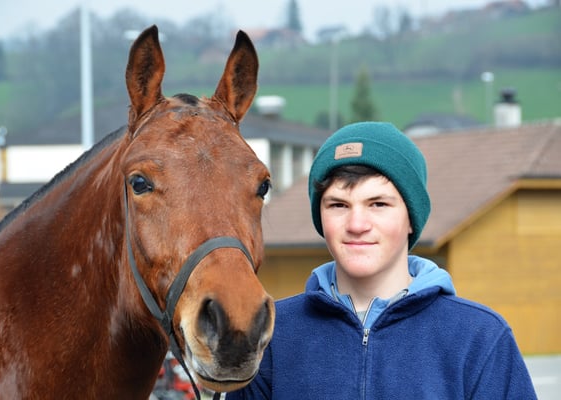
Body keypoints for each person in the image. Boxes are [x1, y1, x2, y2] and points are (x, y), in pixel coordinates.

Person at [226, 121, 537, 399]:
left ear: (411, 218)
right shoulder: (270, 335)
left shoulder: (480, 337)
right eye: (338, 205)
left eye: (378, 204)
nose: (357, 224)